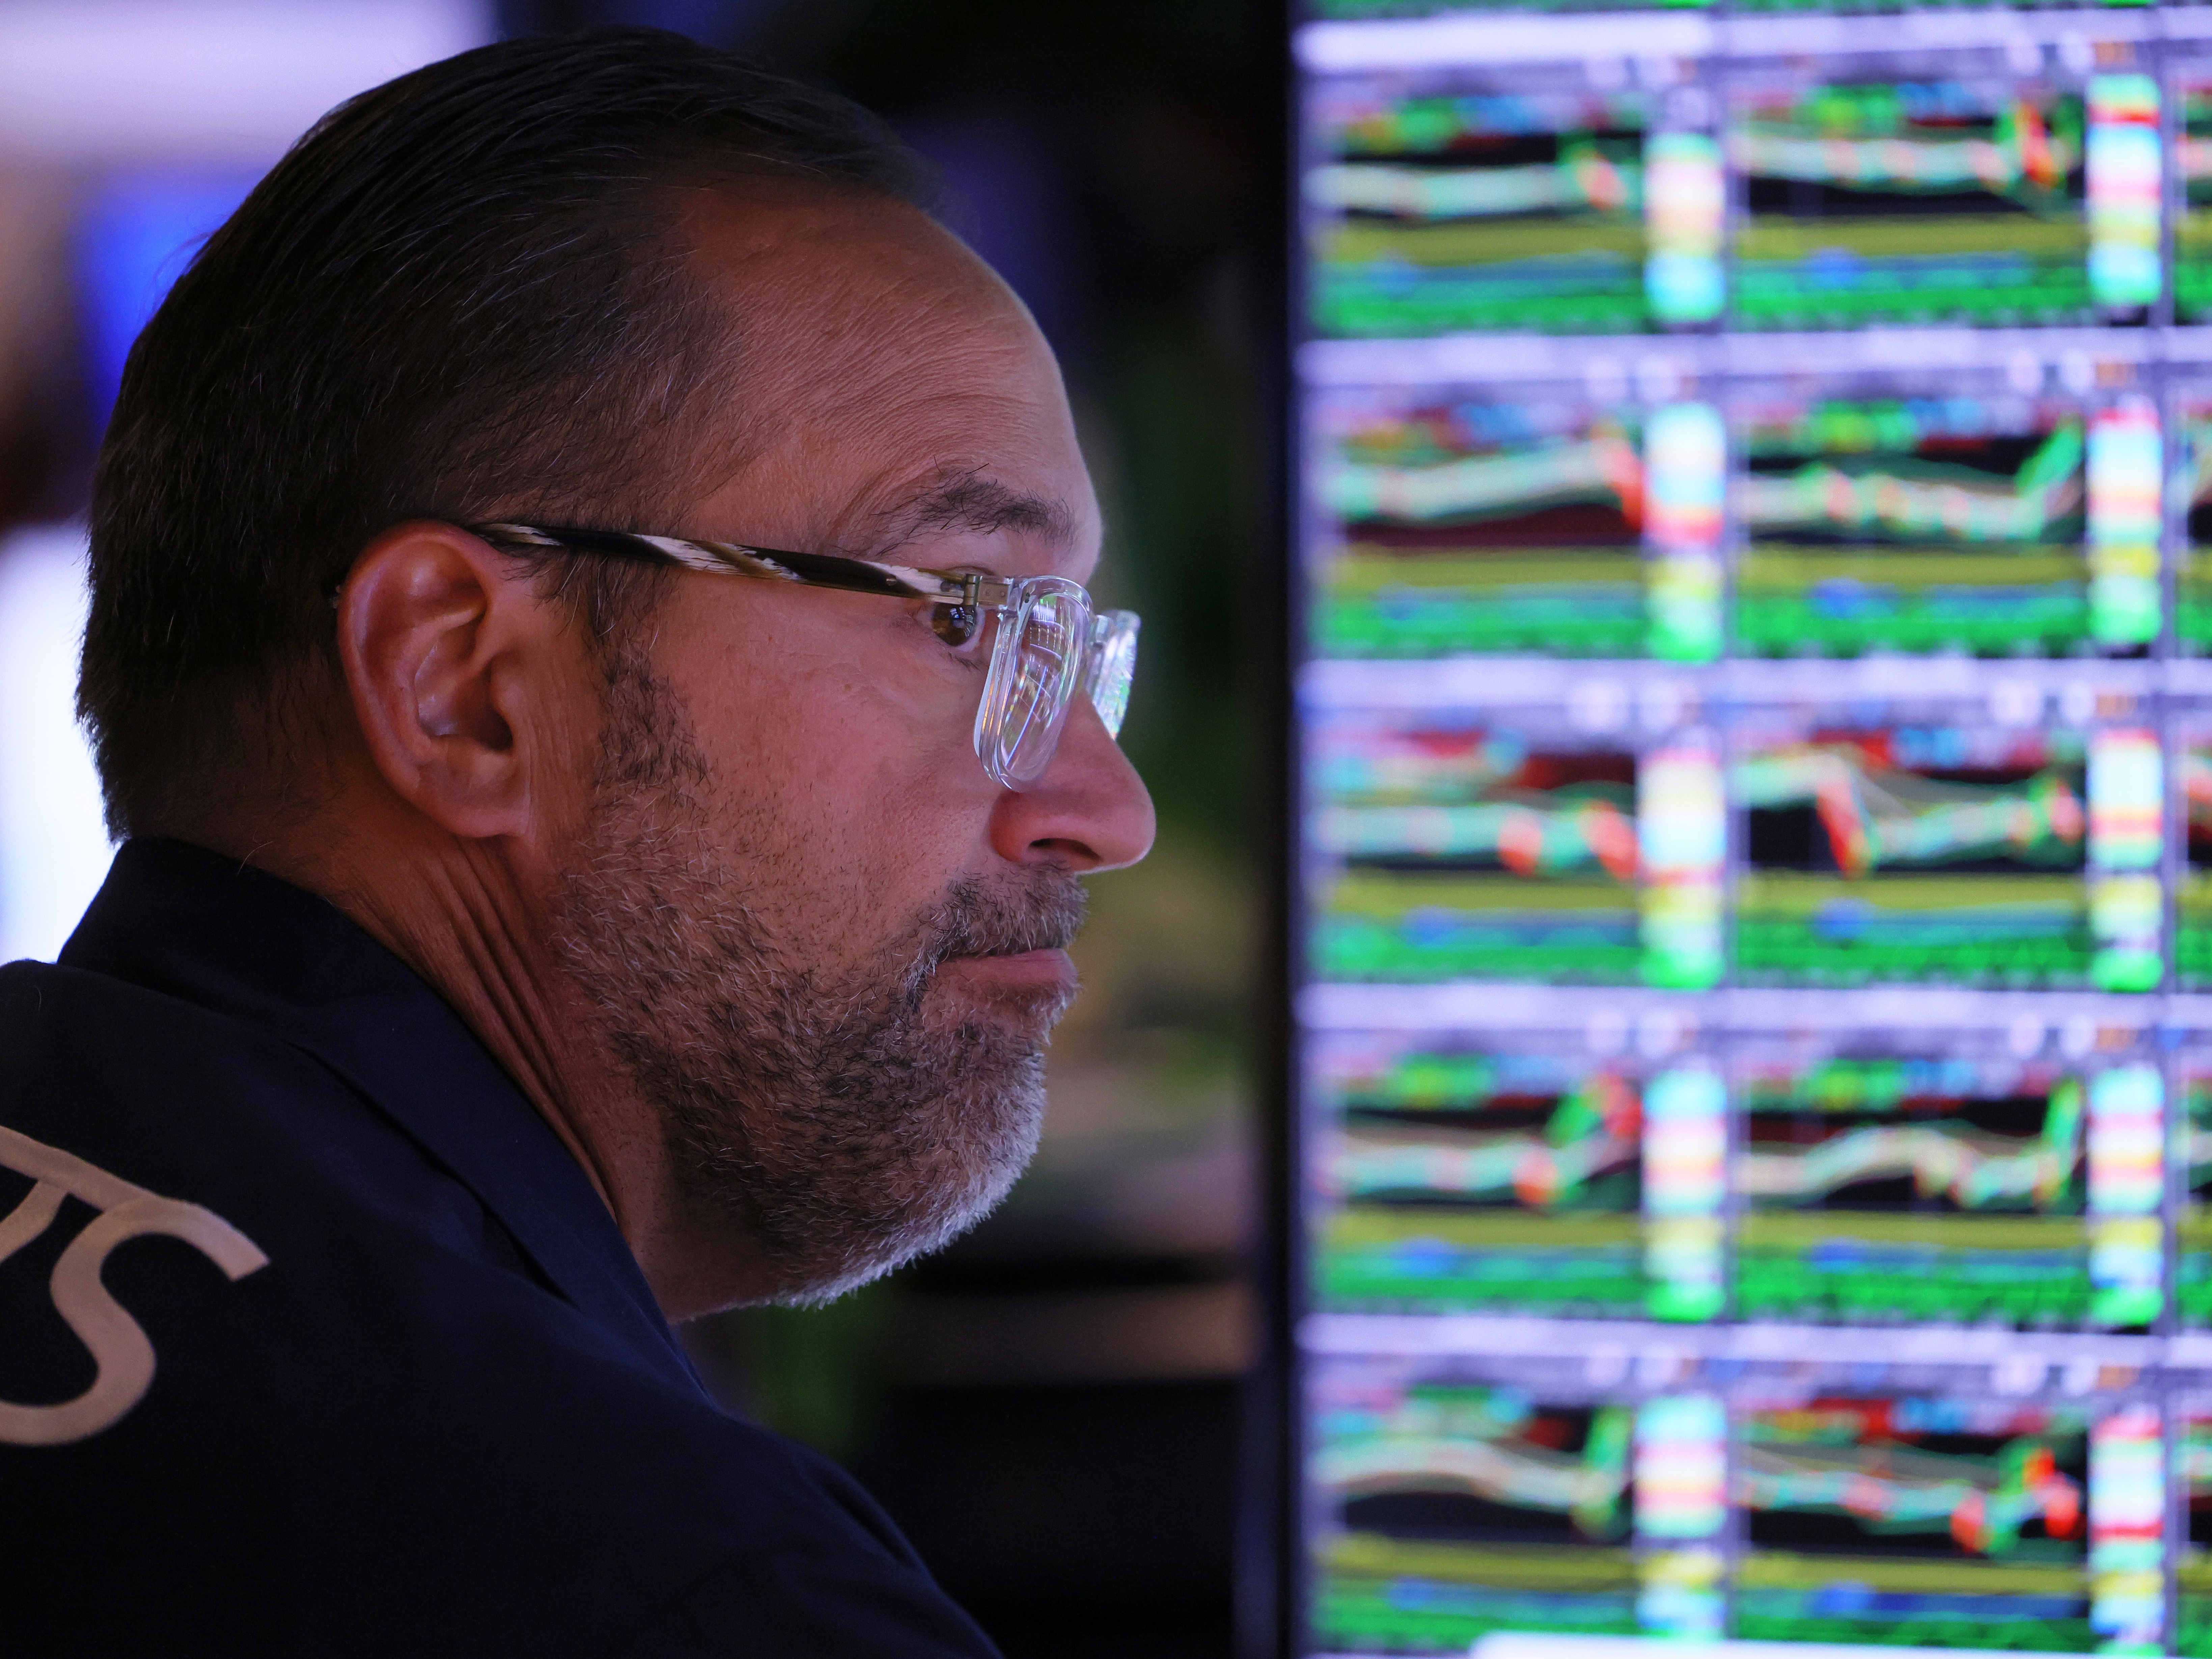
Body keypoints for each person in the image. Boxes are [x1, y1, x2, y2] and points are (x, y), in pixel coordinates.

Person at [0, 27, 1154, 1656]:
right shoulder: (668, 1590)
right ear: (464, 685)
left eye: (1073, 646)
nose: (1105, 812)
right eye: (964, 618)